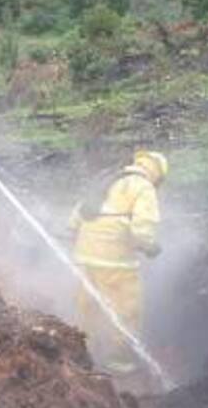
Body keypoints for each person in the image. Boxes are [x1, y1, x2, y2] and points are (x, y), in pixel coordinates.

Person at [69, 150, 169, 376]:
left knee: (88, 306)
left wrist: (75, 233)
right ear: (157, 175)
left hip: (85, 257)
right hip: (116, 261)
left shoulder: (108, 179)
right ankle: (120, 360)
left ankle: (84, 352)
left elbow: (77, 215)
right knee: (126, 310)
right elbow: (142, 228)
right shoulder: (143, 188)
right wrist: (150, 246)